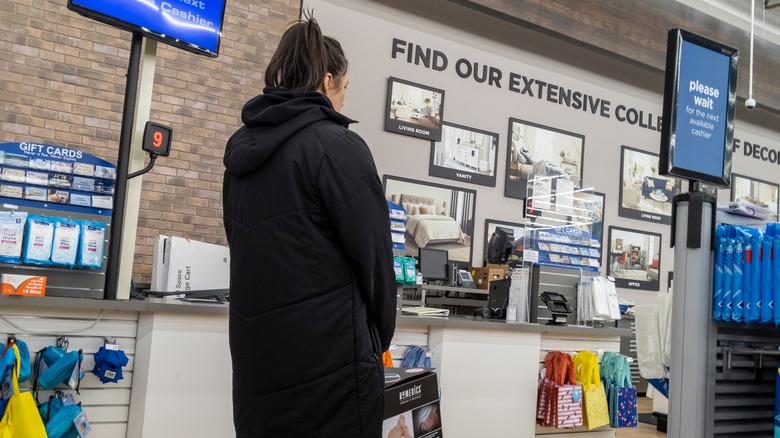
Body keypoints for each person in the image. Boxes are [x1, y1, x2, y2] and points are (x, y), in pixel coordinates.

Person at [222, 14, 397, 438]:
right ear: (327, 80)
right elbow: (374, 260)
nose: (342, 100)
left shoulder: (241, 154)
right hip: (331, 363)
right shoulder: (338, 147)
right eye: (345, 88)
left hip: (257, 358)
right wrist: (378, 338)